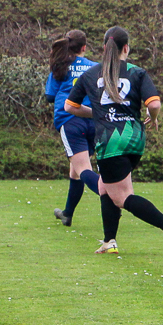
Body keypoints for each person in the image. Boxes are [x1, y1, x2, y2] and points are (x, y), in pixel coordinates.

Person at [65, 26, 163, 256]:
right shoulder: (137, 72)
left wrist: (97, 113)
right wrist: (152, 116)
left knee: (120, 197)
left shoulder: (90, 75)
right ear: (126, 48)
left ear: (103, 48)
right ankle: (110, 241)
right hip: (135, 139)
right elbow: (155, 104)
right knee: (104, 187)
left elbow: (69, 106)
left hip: (110, 141)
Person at [44, 29, 101, 227]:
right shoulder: (96, 67)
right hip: (94, 119)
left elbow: (50, 97)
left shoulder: (61, 67)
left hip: (70, 119)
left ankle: (110, 195)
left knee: (83, 168)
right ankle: (67, 214)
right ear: (85, 47)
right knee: (76, 170)